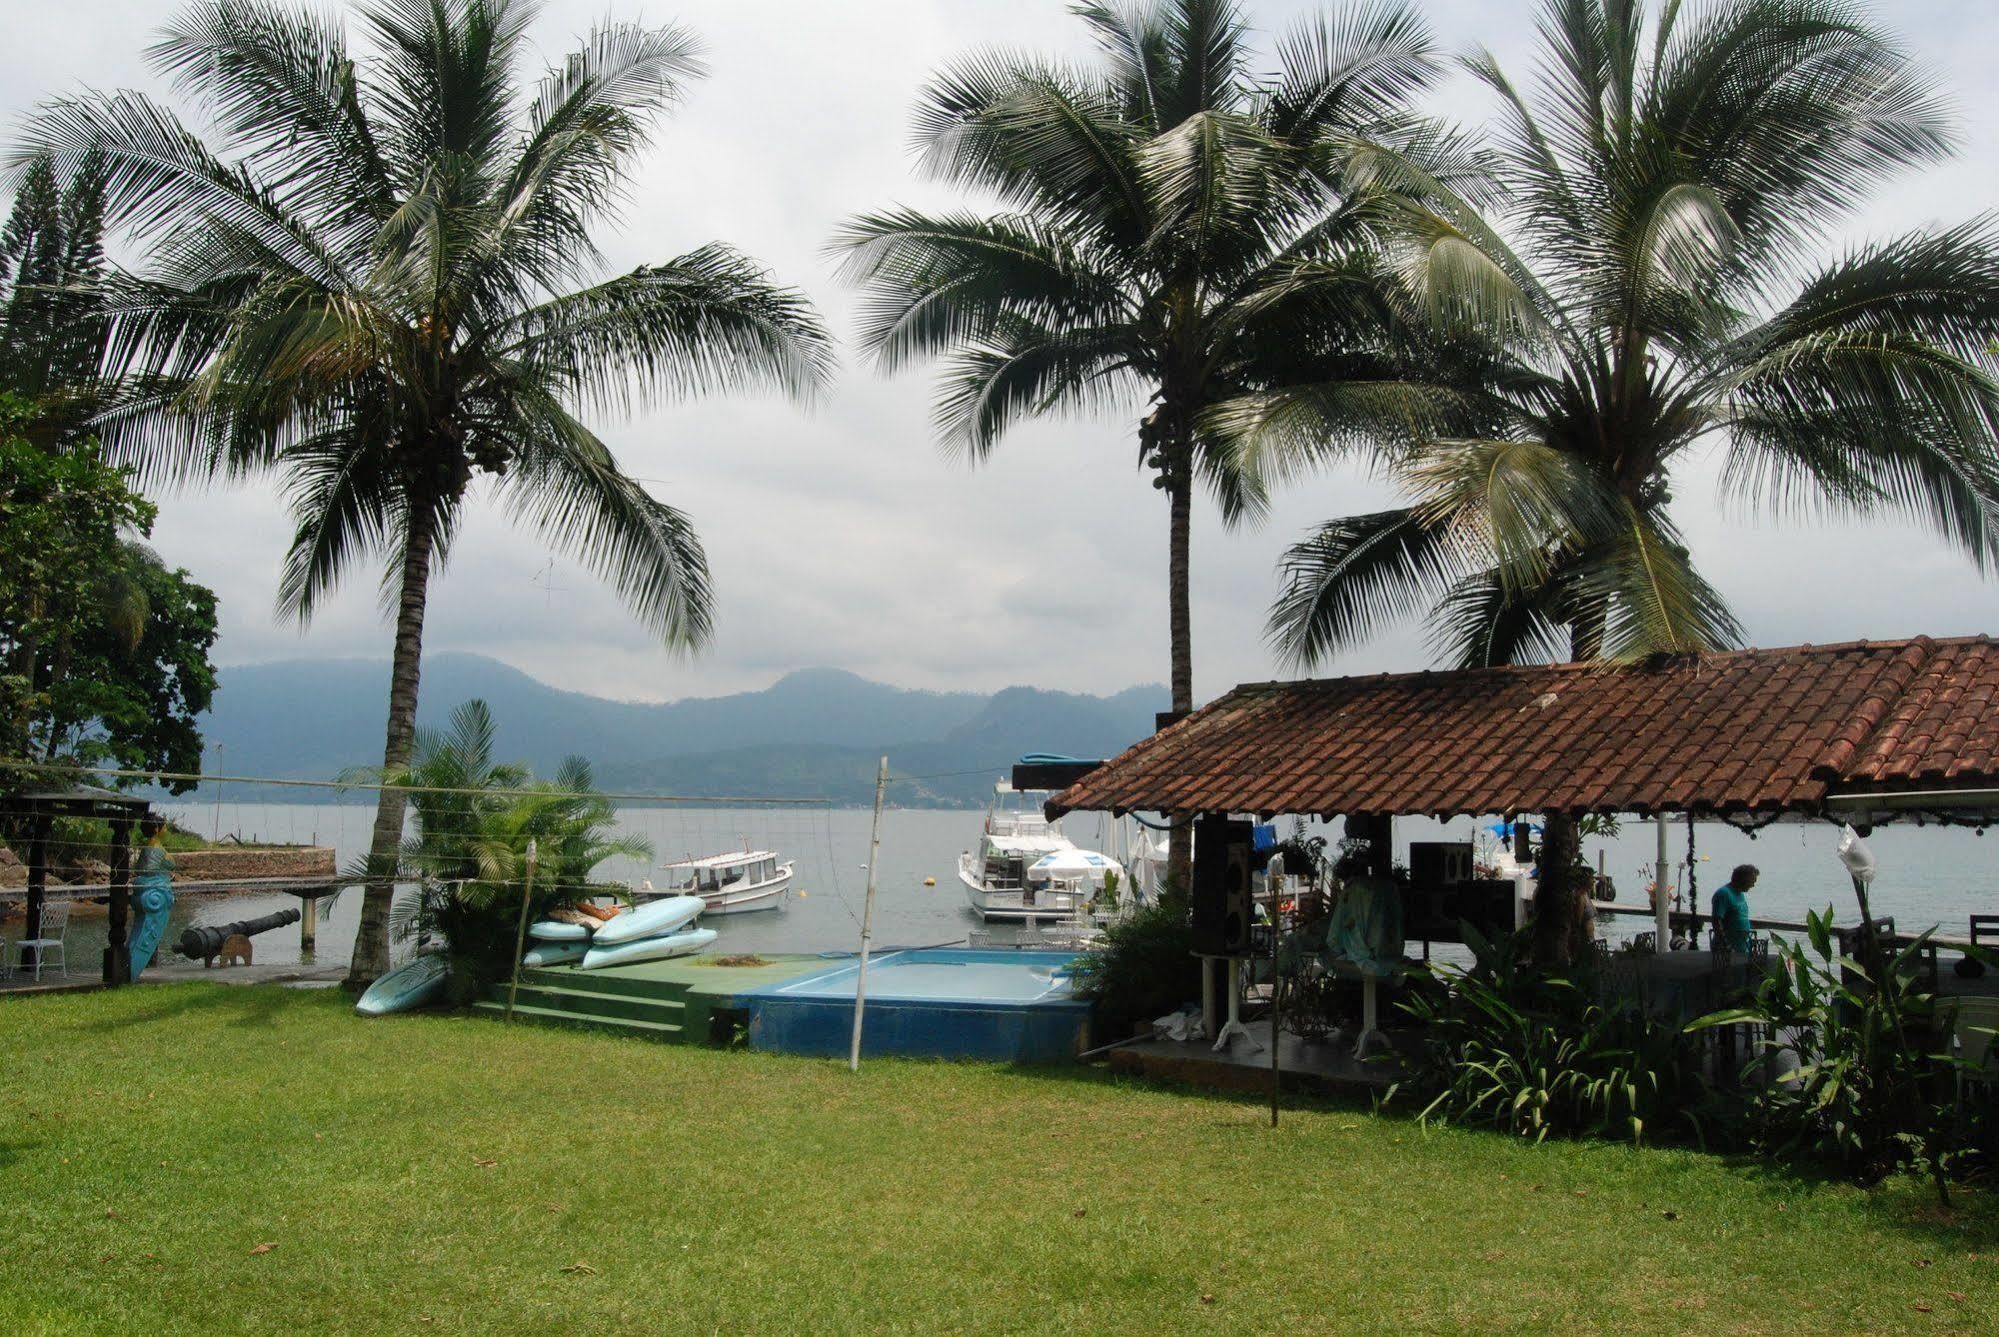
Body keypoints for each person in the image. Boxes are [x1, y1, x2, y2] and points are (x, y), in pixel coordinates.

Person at [130, 816, 176, 977]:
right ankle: (132, 970)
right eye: (164, 827)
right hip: (156, 892)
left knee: (139, 931)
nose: (166, 830)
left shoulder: (149, 848)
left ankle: (129, 967)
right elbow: (149, 868)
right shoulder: (155, 849)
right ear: (157, 829)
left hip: (149, 889)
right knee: (145, 933)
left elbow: (140, 868)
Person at [1711, 863, 1758, 955]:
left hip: (1742, 949)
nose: (1753, 885)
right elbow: (1716, 921)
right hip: (1726, 952)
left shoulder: (1740, 894)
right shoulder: (1723, 893)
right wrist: (1726, 945)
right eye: (1752, 881)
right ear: (1744, 879)